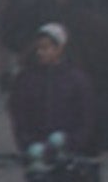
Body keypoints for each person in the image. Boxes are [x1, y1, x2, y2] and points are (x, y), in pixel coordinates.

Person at [9, 22, 97, 157]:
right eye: (39, 48)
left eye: (46, 48)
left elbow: (86, 116)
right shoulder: (27, 78)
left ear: (60, 48)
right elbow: (19, 113)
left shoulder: (76, 79)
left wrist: (73, 142)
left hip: (69, 151)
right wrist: (27, 143)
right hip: (36, 149)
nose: (40, 52)